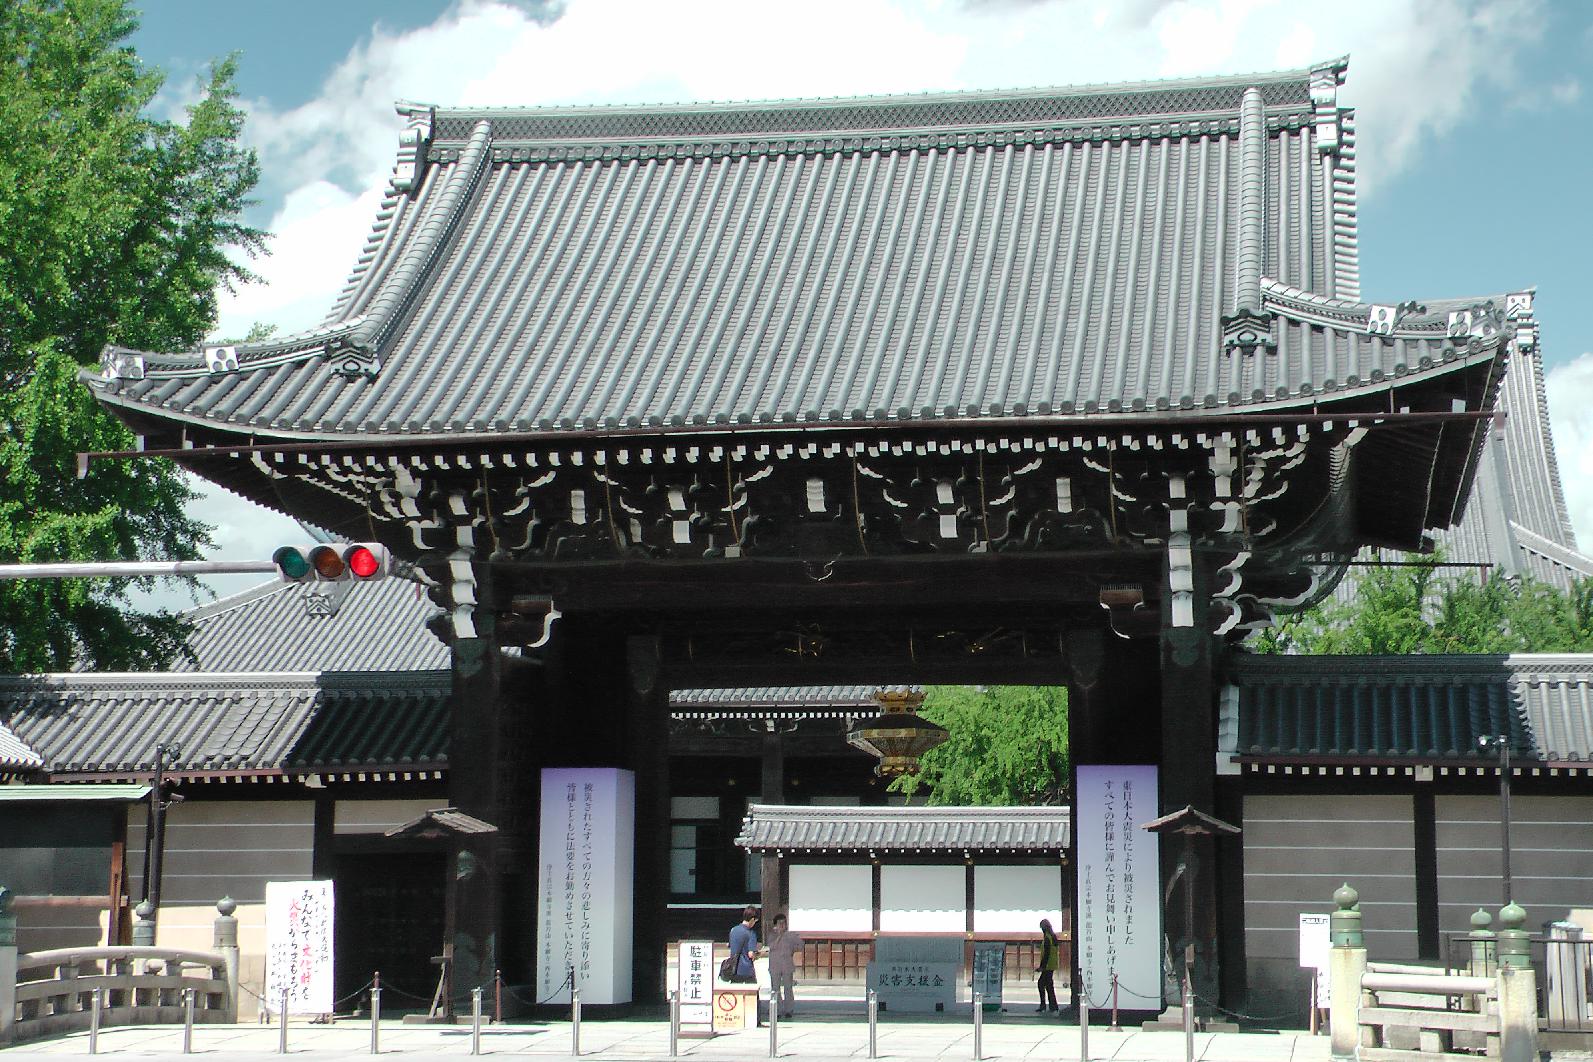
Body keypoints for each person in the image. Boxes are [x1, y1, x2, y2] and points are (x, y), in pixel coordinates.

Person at [767, 913, 804, 1019]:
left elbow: (801, 945)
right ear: (775, 925)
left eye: (784, 923)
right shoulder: (771, 935)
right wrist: (779, 935)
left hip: (787, 964)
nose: (782, 925)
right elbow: (771, 946)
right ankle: (777, 1009)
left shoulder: (791, 935)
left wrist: (793, 949)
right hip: (775, 965)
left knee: (788, 988)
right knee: (775, 988)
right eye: (780, 923)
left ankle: (789, 1009)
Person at [728, 906, 759, 983]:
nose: (754, 924)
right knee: (751, 994)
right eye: (755, 921)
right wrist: (758, 954)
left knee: (736, 994)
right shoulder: (751, 933)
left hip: (733, 969)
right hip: (747, 971)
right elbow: (751, 954)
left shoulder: (733, 930)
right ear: (752, 919)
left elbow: (730, 946)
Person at [1036, 918, 1060, 1013]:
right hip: (1052, 964)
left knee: (1041, 984)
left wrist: (1042, 967)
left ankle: (1044, 1005)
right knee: (1049, 985)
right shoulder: (1053, 937)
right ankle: (1053, 1006)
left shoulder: (1047, 938)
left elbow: (1046, 953)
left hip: (1047, 965)